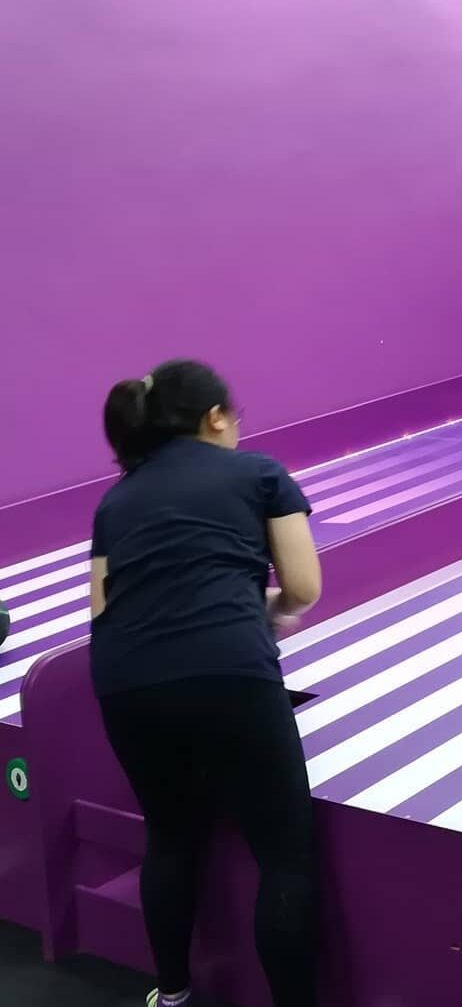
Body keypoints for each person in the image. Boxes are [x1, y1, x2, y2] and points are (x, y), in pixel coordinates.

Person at [89, 360, 322, 1007]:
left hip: (125, 683)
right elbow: (304, 587)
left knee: (169, 834)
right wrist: (266, 612)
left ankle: (173, 993)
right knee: (283, 854)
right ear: (215, 417)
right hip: (228, 669)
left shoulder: (115, 500)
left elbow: (102, 609)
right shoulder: (260, 473)